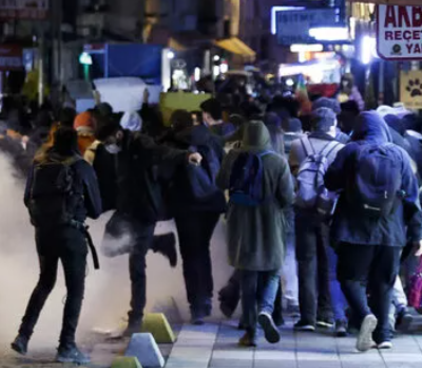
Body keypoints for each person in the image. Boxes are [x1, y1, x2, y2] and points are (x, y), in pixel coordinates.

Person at [93, 119, 201, 337]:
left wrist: (187, 156)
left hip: (144, 211)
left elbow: (163, 152)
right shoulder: (119, 150)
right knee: (107, 247)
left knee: (136, 265)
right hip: (125, 210)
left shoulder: (141, 143)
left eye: (107, 141)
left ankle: (135, 318)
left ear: (118, 134)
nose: (107, 146)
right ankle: (160, 242)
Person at [324, 112, 422, 351]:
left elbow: (330, 181)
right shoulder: (399, 154)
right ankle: (384, 335)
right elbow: (412, 197)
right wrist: (418, 234)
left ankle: (365, 313)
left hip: (354, 230)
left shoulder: (351, 150)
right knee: (384, 284)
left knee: (349, 278)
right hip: (391, 231)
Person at [12, 127, 102, 364]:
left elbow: (27, 198)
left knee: (45, 282)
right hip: (71, 235)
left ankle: (23, 336)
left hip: (43, 233)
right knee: (74, 290)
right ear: (75, 143)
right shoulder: (81, 166)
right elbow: (96, 209)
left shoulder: (39, 163)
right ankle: (66, 346)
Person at [218, 121, 294, 347]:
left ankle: (251, 331)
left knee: (247, 278)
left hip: (240, 225)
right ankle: (266, 310)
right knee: (273, 270)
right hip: (270, 223)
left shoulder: (234, 157)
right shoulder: (278, 162)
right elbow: (288, 197)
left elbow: (220, 182)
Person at [288, 108, 347, 336]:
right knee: (328, 264)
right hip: (328, 213)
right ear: (332, 125)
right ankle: (326, 313)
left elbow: (294, 174)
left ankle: (307, 317)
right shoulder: (340, 148)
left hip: (303, 211)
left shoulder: (297, 145)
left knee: (306, 262)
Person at [164, 113, 227, 325]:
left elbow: (165, 175)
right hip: (212, 203)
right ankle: (207, 297)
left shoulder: (174, 144)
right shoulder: (214, 140)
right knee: (202, 248)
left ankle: (197, 305)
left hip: (186, 205)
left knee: (190, 253)